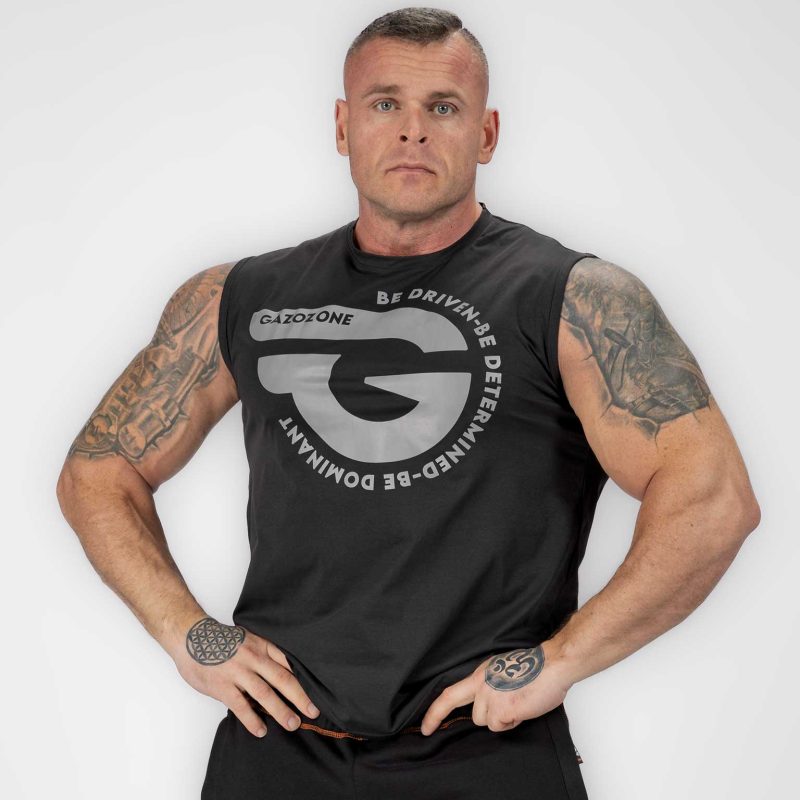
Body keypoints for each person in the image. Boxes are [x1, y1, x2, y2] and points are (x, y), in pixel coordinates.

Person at [55, 7, 761, 799]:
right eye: (385, 103)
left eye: (443, 107)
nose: (412, 131)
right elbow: (98, 470)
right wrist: (188, 634)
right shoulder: (242, 297)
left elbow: (712, 498)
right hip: (276, 751)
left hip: (484, 751)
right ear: (343, 125)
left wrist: (562, 660)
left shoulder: (573, 299)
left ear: (487, 134)